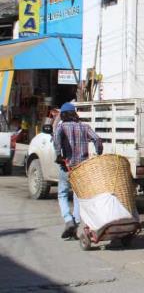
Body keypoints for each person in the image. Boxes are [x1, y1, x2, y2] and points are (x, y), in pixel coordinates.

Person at [53, 102, 103, 239]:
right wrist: (99, 152)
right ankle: (75, 224)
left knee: (62, 194)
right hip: (82, 168)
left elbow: (56, 139)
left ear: (63, 115)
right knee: (77, 196)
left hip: (67, 166)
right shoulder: (84, 126)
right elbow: (97, 139)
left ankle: (68, 220)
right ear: (75, 114)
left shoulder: (61, 126)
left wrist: (58, 155)